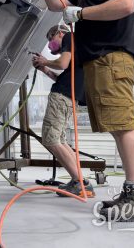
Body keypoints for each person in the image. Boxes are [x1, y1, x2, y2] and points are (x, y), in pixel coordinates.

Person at [35, 0, 134, 222]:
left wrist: (82, 13)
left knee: (124, 126)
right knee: (117, 126)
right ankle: (132, 194)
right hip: (98, 61)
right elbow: (56, 4)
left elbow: (126, 4)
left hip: (112, 57)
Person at [32, 24, 92, 198]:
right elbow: (63, 77)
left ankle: (78, 182)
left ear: (59, 33)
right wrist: (44, 68)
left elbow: (62, 63)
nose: (51, 45)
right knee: (60, 139)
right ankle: (81, 181)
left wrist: (44, 61)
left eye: (51, 39)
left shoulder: (69, 37)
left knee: (50, 139)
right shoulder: (78, 48)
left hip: (61, 97)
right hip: (68, 97)